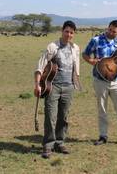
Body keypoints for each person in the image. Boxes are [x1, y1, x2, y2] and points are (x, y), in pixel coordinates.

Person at [82, 20, 117, 146]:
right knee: (102, 109)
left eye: (114, 31)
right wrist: (92, 61)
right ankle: (103, 136)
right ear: (107, 28)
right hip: (100, 81)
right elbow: (85, 54)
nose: (111, 32)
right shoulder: (96, 40)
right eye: (110, 29)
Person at [34, 20, 82, 159]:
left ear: (74, 34)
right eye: (66, 31)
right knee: (50, 116)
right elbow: (40, 65)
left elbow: (76, 67)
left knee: (64, 117)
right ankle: (48, 145)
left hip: (69, 86)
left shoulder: (75, 48)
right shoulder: (52, 47)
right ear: (62, 31)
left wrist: (76, 82)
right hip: (52, 87)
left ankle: (60, 142)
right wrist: (37, 84)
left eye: (71, 32)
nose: (69, 34)